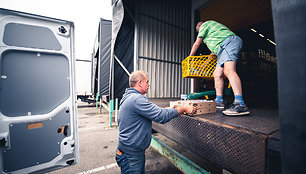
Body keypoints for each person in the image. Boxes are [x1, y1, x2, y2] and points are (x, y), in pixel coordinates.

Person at [115, 70, 196, 173]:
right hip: (131, 156)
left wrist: (171, 108)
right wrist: (184, 109)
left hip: (128, 152)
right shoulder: (137, 99)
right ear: (139, 83)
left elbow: (155, 112)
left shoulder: (129, 97)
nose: (148, 85)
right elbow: (161, 116)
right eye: (147, 82)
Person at [189, 20, 250, 116]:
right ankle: (219, 101)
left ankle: (240, 104)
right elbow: (212, 54)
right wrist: (203, 65)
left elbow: (197, 43)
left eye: (198, 30)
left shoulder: (205, 25)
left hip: (228, 43)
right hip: (222, 49)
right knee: (217, 74)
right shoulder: (213, 36)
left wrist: (190, 57)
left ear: (200, 25)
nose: (198, 32)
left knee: (229, 71)